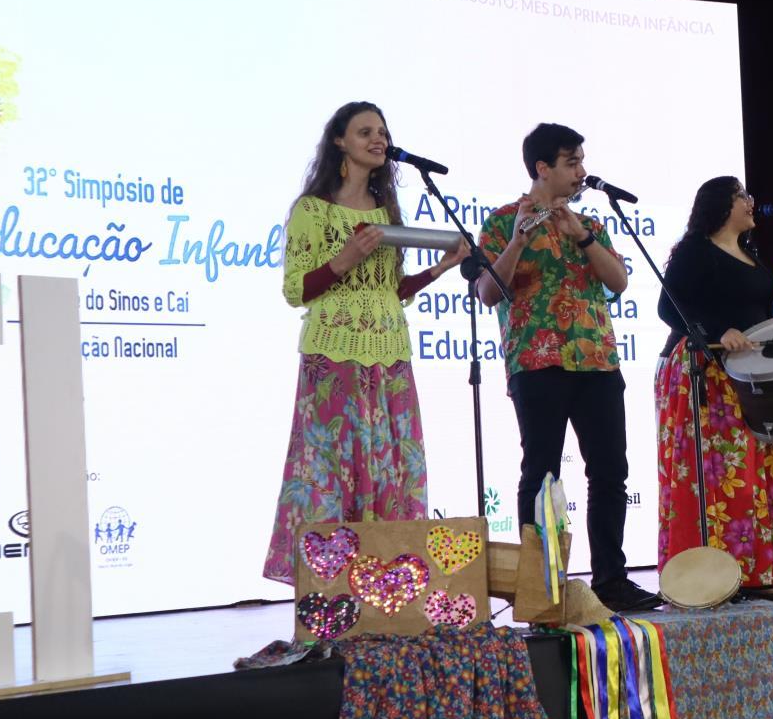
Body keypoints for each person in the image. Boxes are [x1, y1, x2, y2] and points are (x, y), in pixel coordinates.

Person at [263, 101, 468, 583]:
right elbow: (296, 289)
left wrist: (440, 269)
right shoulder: (312, 210)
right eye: (365, 132)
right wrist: (346, 257)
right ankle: (329, 583)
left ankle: (384, 579)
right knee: (332, 465)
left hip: (390, 356)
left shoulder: (385, 211)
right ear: (339, 141)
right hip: (333, 357)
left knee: (391, 463)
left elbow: (389, 290)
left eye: (382, 132)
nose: (378, 140)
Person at [475, 123, 659, 612]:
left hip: (597, 360)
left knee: (610, 472)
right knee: (542, 474)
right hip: (537, 363)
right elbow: (488, 292)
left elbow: (618, 282)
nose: (581, 171)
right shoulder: (501, 222)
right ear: (542, 168)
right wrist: (517, 242)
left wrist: (582, 236)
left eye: (581, 161)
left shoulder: (588, 223)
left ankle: (611, 581)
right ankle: (540, 590)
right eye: (571, 162)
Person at [655, 176, 773, 585]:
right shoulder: (695, 250)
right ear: (720, 205)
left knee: (757, 470)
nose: (751, 202)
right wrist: (718, 332)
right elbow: (668, 307)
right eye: (741, 196)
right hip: (705, 371)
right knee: (721, 473)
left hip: (752, 374)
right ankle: (709, 575)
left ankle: (756, 570)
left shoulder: (750, 252)